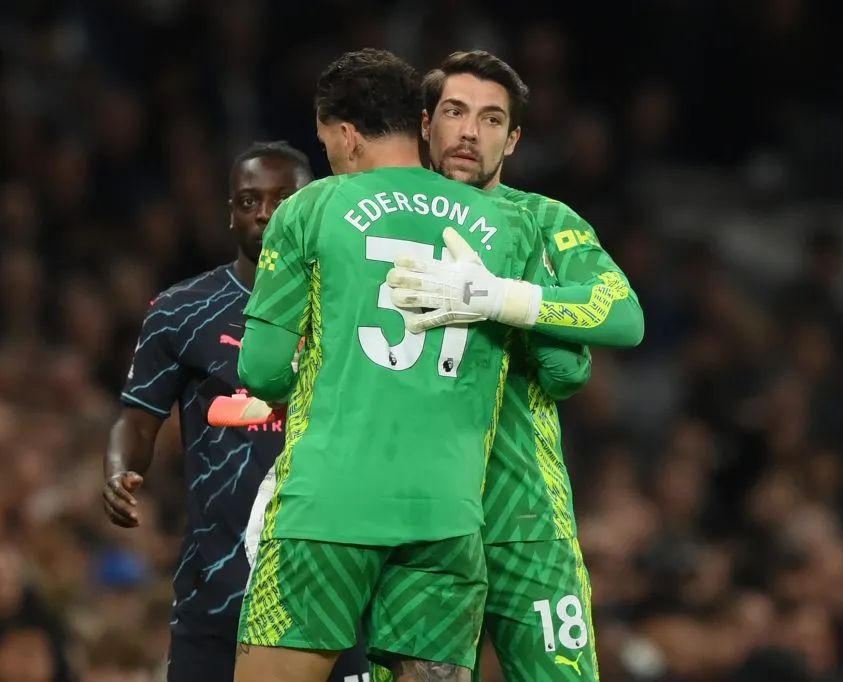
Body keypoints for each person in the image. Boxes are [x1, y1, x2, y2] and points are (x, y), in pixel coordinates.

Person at [232, 48, 591, 682]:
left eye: (325, 143)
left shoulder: (311, 207)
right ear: (420, 123)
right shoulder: (505, 223)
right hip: (448, 517)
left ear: (344, 134)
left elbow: (261, 371)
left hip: (327, 505)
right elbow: (565, 372)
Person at [380, 51, 645, 682]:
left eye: (492, 119)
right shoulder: (385, 217)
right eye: (455, 112)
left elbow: (624, 316)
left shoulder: (545, 220)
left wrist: (498, 296)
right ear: (425, 124)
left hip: (524, 513)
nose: (471, 131)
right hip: (420, 516)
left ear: (514, 138)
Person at [102, 142, 369, 682]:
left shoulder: (360, 307)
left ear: (315, 205)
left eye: (284, 197)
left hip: (341, 589)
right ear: (230, 214)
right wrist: (118, 468)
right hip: (219, 596)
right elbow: (137, 416)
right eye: (249, 201)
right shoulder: (182, 311)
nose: (266, 212)